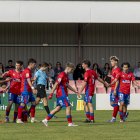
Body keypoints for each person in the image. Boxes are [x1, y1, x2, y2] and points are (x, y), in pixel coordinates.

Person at [42, 62, 78, 127]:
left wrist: (75, 90)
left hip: (63, 93)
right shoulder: (62, 74)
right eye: (72, 70)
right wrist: (51, 93)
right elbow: (56, 84)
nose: (72, 71)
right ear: (69, 68)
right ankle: (70, 123)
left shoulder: (66, 76)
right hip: (62, 93)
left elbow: (67, 85)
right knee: (68, 106)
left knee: (58, 108)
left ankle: (45, 120)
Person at [17, 58, 37, 123]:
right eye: (34, 64)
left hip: (28, 90)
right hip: (25, 90)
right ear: (31, 64)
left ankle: (33, 118)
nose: (35, 66)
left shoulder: (28, 71)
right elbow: (28, 80)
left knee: (33, 102)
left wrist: (33, 80)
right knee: (23, 104)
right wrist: (33, 88)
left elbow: (28, 80)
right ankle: (19, 119)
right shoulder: (27, 71)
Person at [107, 56, 121, 123]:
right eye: (111, 61)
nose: (111, 62)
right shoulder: (113, 69)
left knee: (114, 103)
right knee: (112, 103)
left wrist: (115, 89)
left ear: (116, 62)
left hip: (116, 88)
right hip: (113, 88)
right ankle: (123, 112)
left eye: (112, 61)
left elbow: (117, 80)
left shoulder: (117, 69)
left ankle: (113, 118)